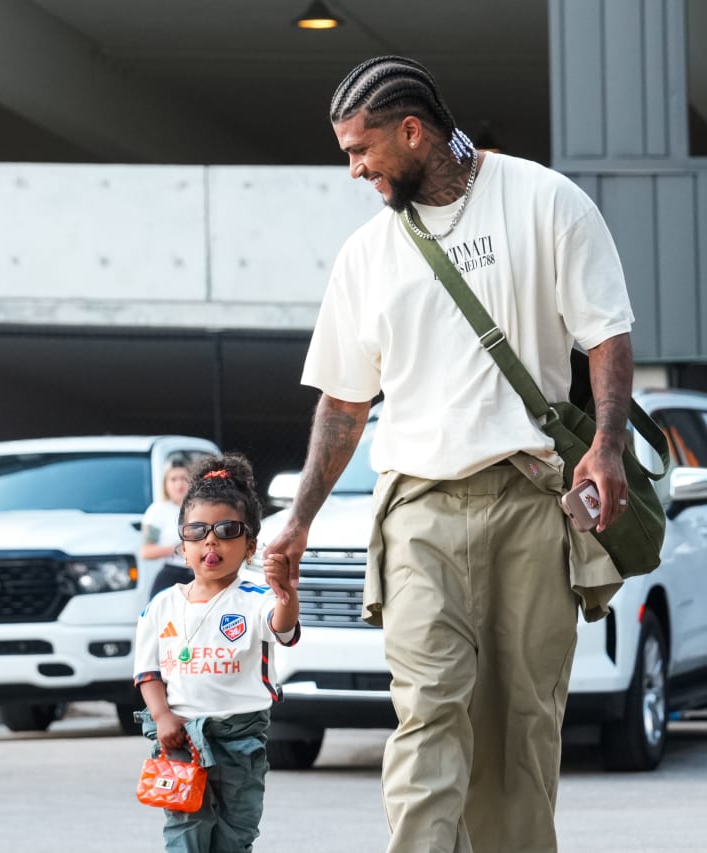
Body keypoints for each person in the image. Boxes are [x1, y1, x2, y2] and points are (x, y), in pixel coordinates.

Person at [264, 55, 636, 853]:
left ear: (411, 130)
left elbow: (605, 329)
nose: (355, 170)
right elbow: (343, 401)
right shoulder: (366, 253)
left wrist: (606, 444)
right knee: (428, 709)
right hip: (418, 510)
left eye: (361, 151)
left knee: (521, 725)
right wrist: (298, 519)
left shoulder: (544, 201)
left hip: (530, 502)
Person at [133, 454, 300, 853]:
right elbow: (148, 673)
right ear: (182, 546)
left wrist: (286, 593)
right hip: (180, 736)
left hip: (241, 736)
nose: (211, 540)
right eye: (198, 531)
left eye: (227, 530)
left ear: (249, 546)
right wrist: (162, 716)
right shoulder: (161, 606)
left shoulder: (256, 599)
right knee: (186, 832)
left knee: (235, 834)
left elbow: (283, 627)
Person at [142, 459, 193, 598]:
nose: (179, 484)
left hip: (200, 577)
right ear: (165, 484)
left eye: (184, 478)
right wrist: (177, 549)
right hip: (172, 576)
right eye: (173, 479)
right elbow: (146, 551)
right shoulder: (157, 511)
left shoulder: (202, 508)